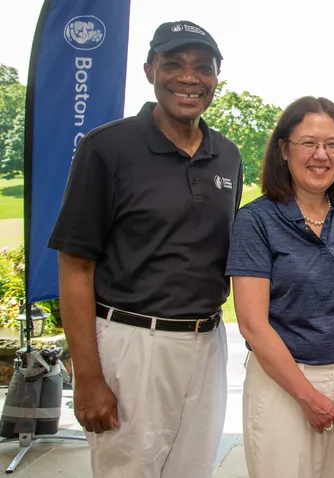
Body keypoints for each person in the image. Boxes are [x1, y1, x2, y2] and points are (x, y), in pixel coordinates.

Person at [47, 21, 241, 477]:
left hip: (207, 343)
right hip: (133, 345)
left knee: (193, 470)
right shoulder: (106, 148)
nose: (189, 78)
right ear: (149, 69)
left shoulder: (228, 154)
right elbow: (75, 267)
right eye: (173, 64)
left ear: (217, 76)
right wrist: (88, 378)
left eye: (202, 67)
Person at [226, 96, 334, 478]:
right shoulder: (256, 220)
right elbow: (252, 325)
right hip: (283, 385)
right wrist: (307, 396)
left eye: (332, 144)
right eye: (308, 143)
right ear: (283, 149)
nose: (321, 155)